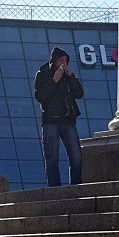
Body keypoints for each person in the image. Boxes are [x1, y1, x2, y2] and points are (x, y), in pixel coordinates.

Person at [34, 47, 85, 187]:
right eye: (61, 60)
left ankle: (76, 186)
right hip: (50, 121)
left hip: (68, 120)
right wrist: (54, 80)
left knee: (76, 155)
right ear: (54, 61)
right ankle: (54, 188)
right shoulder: (42, 74)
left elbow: (79, 94)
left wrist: (71, 76)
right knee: (52, 157)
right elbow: (40, 96)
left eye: (66, 60)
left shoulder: (68, 76)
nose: (64, 63)